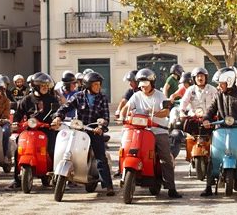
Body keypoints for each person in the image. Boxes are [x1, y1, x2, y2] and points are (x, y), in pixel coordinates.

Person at [120, 68, 182, 198]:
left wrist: (154, 114)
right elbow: (126, 107)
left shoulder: (160, 95)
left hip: (158, 130)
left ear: (152, 83)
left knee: (165, 157)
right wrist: (122, 115)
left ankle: (171, 187)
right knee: (127, 147)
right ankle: (124, 173)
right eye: (141, 86)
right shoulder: (136, 95)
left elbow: (166, 112)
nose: (143, 88)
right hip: (140, 129)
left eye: (146, 86)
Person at [53, 71, 114, 196]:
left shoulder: (102, 98)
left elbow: (105, 116)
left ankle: (108, 185)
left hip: (94, 131)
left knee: (100, 157)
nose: (98, 87)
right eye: (95, 85)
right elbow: (66, 107)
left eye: (99, 85)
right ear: (88, 85)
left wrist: (101, 126)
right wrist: (58, 117)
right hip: (80, 130)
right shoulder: (79, 96)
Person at [202, 69, 237, 197]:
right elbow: (211, 110)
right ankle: (208, 186)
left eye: (221, 83)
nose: (218, 86)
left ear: (229, 82)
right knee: (212, 156)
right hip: (221, 130)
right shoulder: (218, 95)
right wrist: (206, 119)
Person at [8, 72, 60, 190]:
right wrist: (15, 122)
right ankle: (16, 179)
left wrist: (55, 121)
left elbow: (57, 113)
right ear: (35, 86)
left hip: (47, 129)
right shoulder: (27, 99)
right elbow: (18, 113)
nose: (45, 88)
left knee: (52, 150)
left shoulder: (52, 99)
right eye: (43, 86)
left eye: (47, 86)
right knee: (18, 151)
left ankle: (56, 177)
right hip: (30, 129)